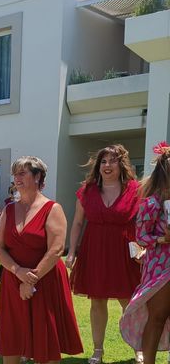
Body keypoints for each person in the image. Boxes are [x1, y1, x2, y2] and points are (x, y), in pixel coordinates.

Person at [0, 156, 83, 363]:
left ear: (38, 177)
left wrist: (30, 279)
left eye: (22, 173)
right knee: (12, 336)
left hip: (45, 279)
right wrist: (18, 272)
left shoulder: (53, 208)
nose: (17, 178)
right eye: (15, 173)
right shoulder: (8, 210)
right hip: (12, 279)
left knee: (46, 338)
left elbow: (56, 249)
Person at [66, 144, 142, 364]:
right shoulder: (86, 190)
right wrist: (72, 251)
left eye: (113, 161)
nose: (107, 165)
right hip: (94, 250)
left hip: (124, 252)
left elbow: (142, 223)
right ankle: (98, 350)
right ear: (98, 166)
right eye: (103, 161)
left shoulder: (135, 190)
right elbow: (78, 222)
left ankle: (138, 347)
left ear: (122, 164)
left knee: (128, 302)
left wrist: (142, 250)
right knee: (97, 301)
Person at [120, 141, 170, 364]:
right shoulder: (151, 203)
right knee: (157, 318)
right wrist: (163, 238)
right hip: (160, 267)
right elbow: (141, 237)